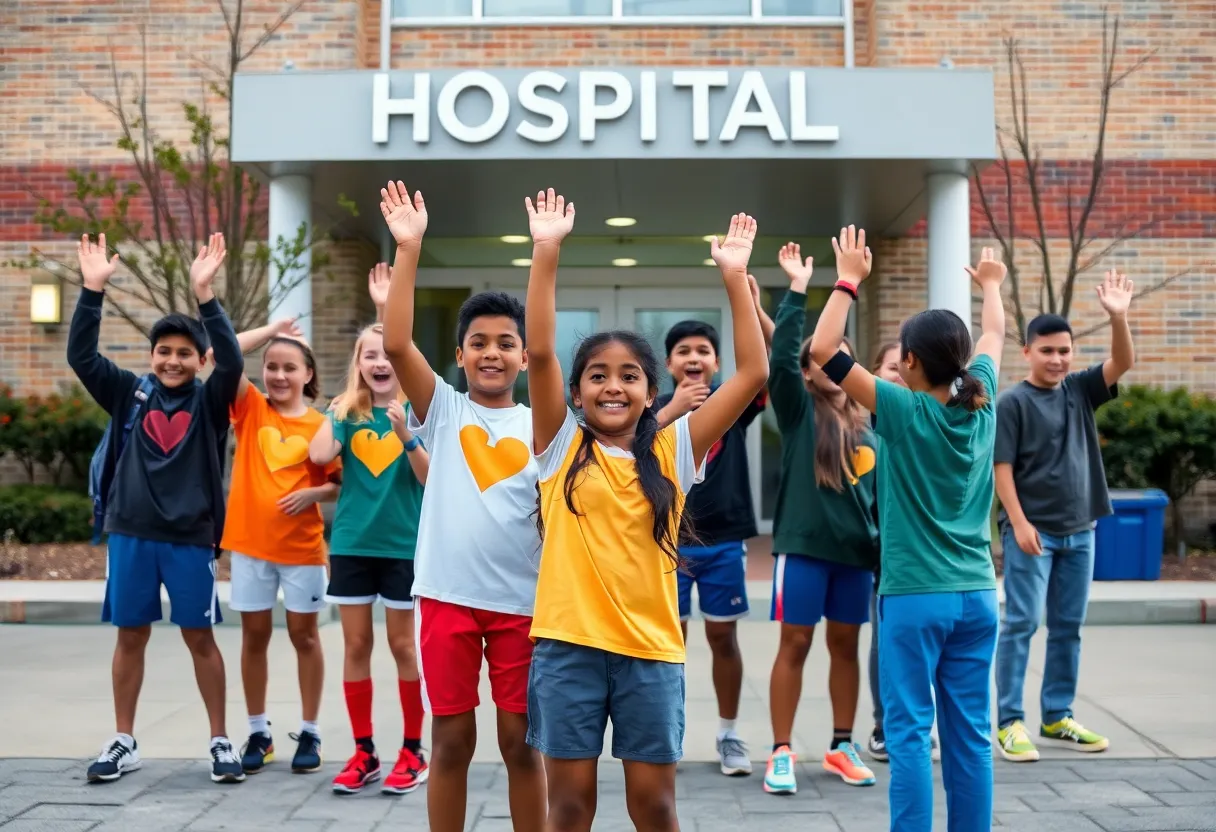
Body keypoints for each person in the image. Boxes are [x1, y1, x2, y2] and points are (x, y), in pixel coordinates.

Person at [525, 193, 769, 831]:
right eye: (598, 376)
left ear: (651, 391)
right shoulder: (557, 448)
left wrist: (736, 280)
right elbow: (543, 351)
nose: (613, 386)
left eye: (629, 375)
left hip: (651, 653)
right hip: (568, 647)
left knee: (656, 808)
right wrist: (546, 250)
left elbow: (749, 375)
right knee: (570, 806)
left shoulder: (674, 446)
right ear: (576, 393)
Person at [809, 229, 1007, 832]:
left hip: (916, 596)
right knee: (970, 736)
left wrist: (847, 278)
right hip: (978, 596)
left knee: (911, 734)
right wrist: (993, 287)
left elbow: (823, 349)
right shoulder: (984, 400)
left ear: (911, 362)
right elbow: (995, 335)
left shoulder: (900, 407)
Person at [377, 180, 546, 832]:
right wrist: (409, 248)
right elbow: (395, 345)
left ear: (525, 356)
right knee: (450, 743)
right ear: (459, 355)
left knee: (519, 744)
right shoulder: (444, 409)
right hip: (446, 597)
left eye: (506, 342)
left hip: (522, 606)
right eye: (479, 342)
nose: (492, 353)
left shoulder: (543, 424)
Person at [69, 233, 246, 784]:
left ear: (199, 360)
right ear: (151, 357)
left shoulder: (210, 400)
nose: (172, 360)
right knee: (131, 634)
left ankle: (220, 741)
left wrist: (205, 294)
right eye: (163, 351)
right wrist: (92, 289)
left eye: (183, 353)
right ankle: (124, 738)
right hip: (131, 533)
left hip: (191, 537)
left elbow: (235, 360)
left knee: (200, 637)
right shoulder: (129, 392)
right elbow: (81, 355)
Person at [993, 271, 1135, 762]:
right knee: (1021, 622)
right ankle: (1010, 721)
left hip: (1082, 530)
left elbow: (1123, 360)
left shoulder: (1079, 390)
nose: (1058, 359)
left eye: (1065, 351)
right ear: (1028, 352)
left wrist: (1118, 317)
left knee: (1068, 626)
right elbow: (1001, 468)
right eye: (1047, 351)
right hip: (1033, 534)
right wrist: (1020, 523)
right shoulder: (1012, 403)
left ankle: (1057, 715)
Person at [761, 242, 879, 795]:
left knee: (845, 647)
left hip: (856, 558)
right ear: (808, 373)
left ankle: (840, 745)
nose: (833, 366)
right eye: (824, 360)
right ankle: (781, 750)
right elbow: (782, 354)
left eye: (842, 359)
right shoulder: (796, 409)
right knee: (796, 644)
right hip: (804, 551)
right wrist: (797, 290)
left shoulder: (875, 423)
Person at [308, 315, 430, 796]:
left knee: (404, 648)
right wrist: (334, 411)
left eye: (386, 354)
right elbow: (319, 455)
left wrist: (405, 434)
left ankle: (413, 751)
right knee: (356, 646)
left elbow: (428, 477)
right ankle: (364, 752)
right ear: (358, 364)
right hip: (354, 544)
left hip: (404, 546)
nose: (379, 362)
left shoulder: (419, 410)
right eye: (369, 355)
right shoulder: (347, 411)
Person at [652, 306, 769, 778]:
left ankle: (728, 732)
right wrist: (672, 409)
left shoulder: (732, 403)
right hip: (668, 542)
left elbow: (769, 363)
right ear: (670, 364)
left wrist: (754, 307)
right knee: (669, 643)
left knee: (723, 636)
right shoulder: (653, 406)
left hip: (723, 542)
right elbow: (632, 447)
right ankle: (667, 731)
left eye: (703, 350)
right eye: (684, 351)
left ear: (717, 363)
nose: (694, 357)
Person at [221, 317, 338, 776]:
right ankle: (258, 731)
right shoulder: (250, 408)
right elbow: (226, 352)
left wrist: (313, 494)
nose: (278, 375)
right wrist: (274, 331)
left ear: (307, 374)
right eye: (271, 366)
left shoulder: (322, 424)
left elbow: (337, 484)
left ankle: (310, 730)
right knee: (254, 637)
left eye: (289, 367)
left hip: (303, 550)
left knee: (305, 637)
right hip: (250, 546)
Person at [865, 343, 940, 765]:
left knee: (914, 648)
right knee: (885, 645)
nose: (897, 374)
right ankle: (884, 724)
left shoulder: (924, 417)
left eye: (904, 366)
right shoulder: (884, 414)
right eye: (889, 368)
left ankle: (913, 725)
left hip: (919, 562)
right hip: (885, 557)